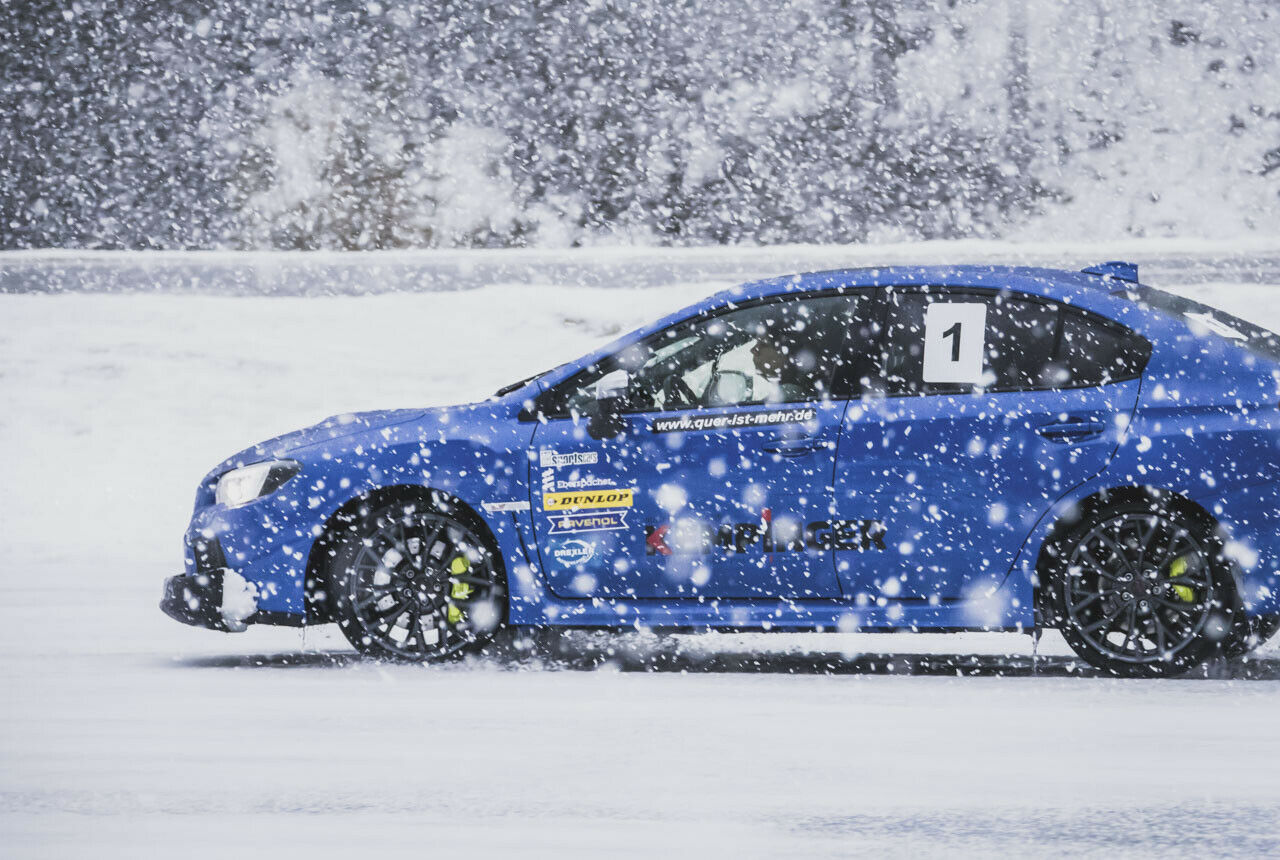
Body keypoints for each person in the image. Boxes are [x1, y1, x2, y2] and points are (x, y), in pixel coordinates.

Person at [750, 335, 817, 402]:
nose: (752, 350)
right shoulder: (808, 399)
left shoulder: (775, 405)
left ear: (784, 354)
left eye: (763, 344)